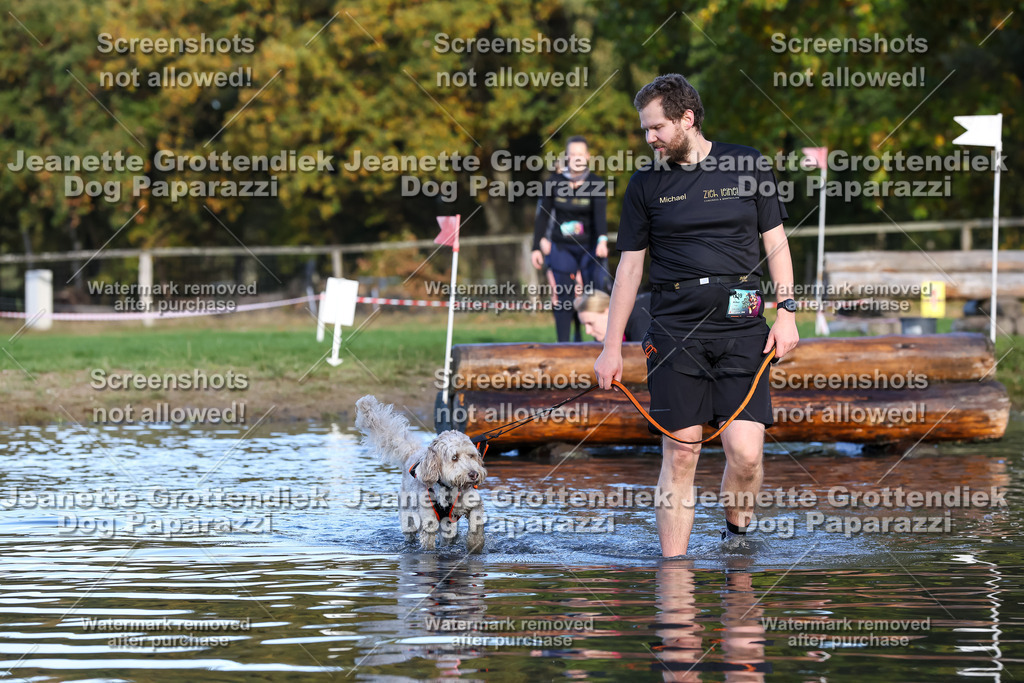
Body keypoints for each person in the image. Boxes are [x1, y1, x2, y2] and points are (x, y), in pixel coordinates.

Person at [594, 74, 799, 557]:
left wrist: (787, 311)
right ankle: (674, 573)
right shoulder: (645, 184)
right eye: (645, 129)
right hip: (673, 330)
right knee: (682, 451)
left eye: (657, 127)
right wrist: (610, 346)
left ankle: (736, 542)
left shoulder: (748, 164)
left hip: (743, 326)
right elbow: (629, 269)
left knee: (746, 454)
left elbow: (776, 243)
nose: (650, 138)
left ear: (687, 119)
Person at [531, 136, 609, 342]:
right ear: (567, 157)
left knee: (593, 295)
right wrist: (536, 247)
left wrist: (602, 241)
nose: (576, 158)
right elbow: (542, 217)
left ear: (587, 157)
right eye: (572, 154)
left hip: (588, 246)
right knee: (564, 297)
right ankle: (564, 346)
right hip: (562, 247)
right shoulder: (553, 183)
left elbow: (599, 216)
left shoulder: (596, 183)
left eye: (580, 154)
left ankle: (600, 344)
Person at [574, 289, 651, 343]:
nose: (588, 331)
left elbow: (642, 357)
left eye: (590, 323)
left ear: (608, 311)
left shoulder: (637, 319)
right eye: (585, 325)